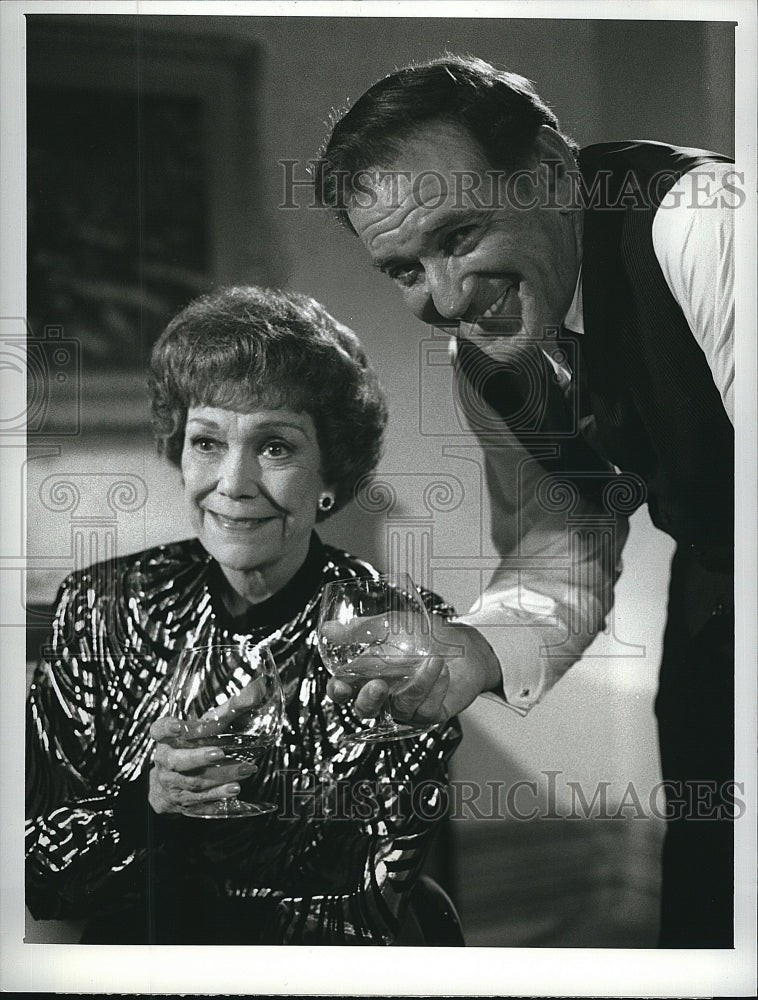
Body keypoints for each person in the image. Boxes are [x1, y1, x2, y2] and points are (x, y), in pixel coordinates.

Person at [315, 55, 736, 948]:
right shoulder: (494, 362)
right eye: (403, 268)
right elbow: (563, 543)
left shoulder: (704, 224)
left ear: (548, 169)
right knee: (716, 910)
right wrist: (471, 649)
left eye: (460, 234)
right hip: (714, 625)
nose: (446, 296)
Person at [25, 285, 462, 945]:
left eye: (275, 447)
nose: (233, 482)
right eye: (207, 442)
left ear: (331, 475)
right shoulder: (100, 608)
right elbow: (38, 870)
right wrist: (149, 804)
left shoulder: (396, 629)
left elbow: (368, 899)